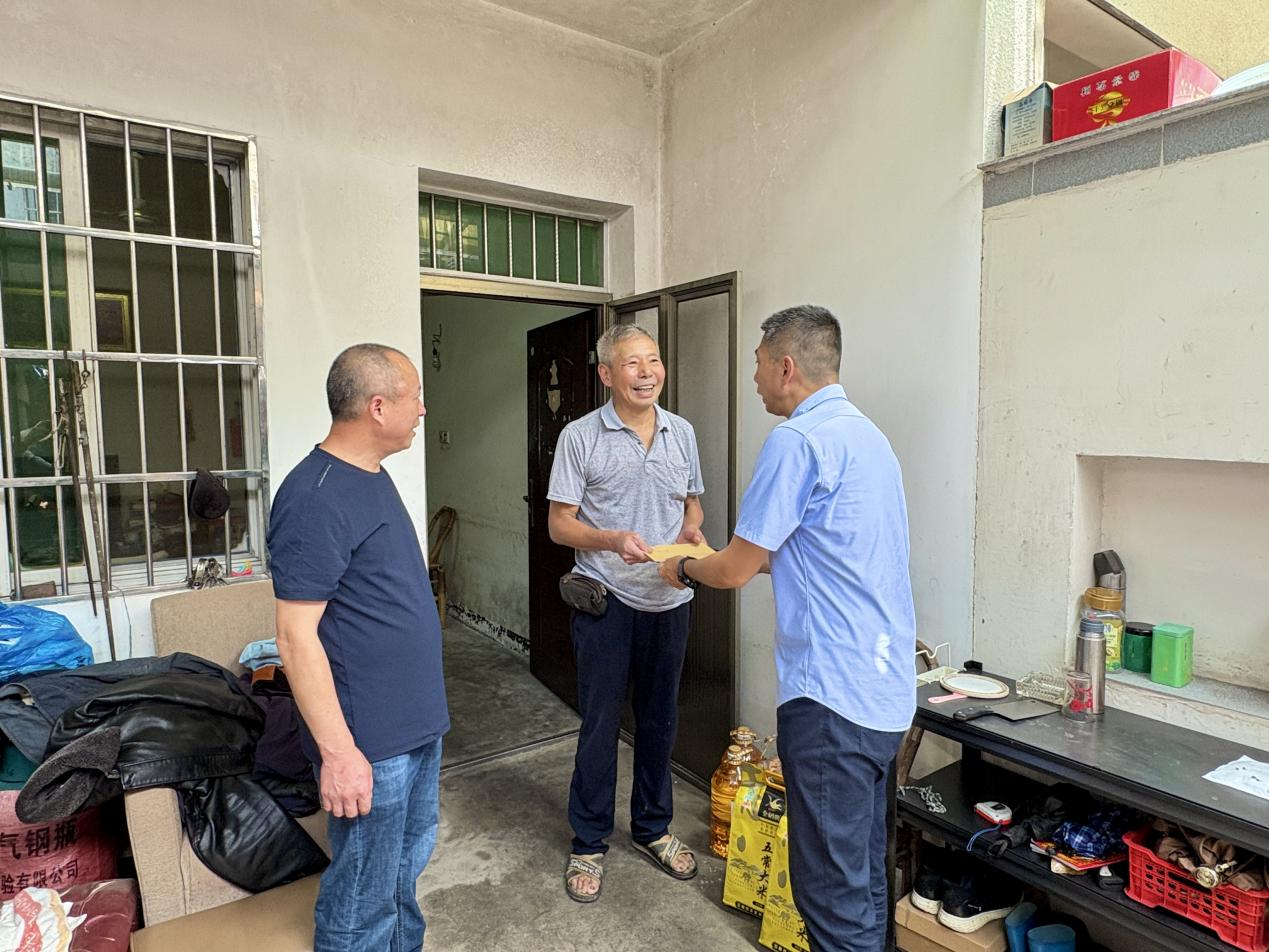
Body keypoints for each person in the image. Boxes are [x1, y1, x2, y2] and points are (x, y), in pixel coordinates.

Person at [658, 305, 915, 952]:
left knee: (829, 896)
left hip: (830, 699)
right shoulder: (868, 439)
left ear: (786, 366)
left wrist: (682, 564)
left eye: (757, 364)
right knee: (865, 875)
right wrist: (718, 556)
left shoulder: (797, 441)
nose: (753, 379)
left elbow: (734, 571)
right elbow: (809, 553)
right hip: (884, 695)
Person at [269, 343, 449, 952]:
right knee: (364, 892)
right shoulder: (314, 496)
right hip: (369, 739)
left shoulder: (370, 475)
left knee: (402, 873)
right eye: (414, 396)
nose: (422, 409)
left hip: (414, 722)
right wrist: (340, 754)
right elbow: (295, 638)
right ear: (377, 407)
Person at [547, 323, 706, 903]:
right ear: (606, 374)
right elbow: (559, 524)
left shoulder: (681, 432)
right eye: (633, 363)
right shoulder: (579, 436)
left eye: (653, 360)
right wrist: (612, 539)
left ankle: (652, 828)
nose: (647, 373)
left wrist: (691, 531)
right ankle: (588, 841)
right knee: (600, 724)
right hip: (607, 599)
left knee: (660, 721)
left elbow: (692, 504)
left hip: (670, 598)